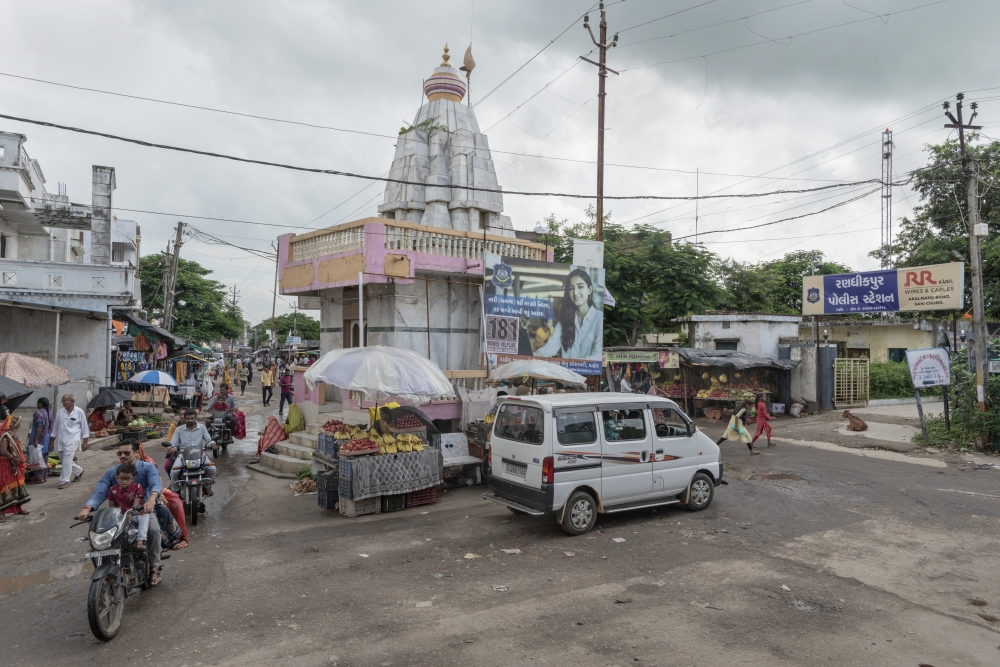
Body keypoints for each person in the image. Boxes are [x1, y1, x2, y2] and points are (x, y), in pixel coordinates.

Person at [78, 441, 163, 586]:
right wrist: (87, 508)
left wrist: (152, 499)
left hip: (142, 511)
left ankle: (154, 569)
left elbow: (156, 484)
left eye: (127, 453)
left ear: (136, 453)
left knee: (154, 531)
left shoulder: (148, 468)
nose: (122, 456)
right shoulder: (112, 472)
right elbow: (100, 491)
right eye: (120, 453)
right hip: (119, 514)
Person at [533, 268, 603, 361]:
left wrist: (572, 365)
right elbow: (550, 347)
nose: (575, 293)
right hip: (566, 375)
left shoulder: (599, 319)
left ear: (589, 290)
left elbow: (597, 356)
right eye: (571, 288)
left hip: (589, 375)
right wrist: (532, 355)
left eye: (580, 287)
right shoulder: (565, 320)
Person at [165, 409, 216, 512]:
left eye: (192, 418)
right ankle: (176, 491)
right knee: (174, 471)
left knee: (212, 468)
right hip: (183, 454)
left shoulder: (202, 427)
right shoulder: (179, 429)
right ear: (184, 419)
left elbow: (208, 440)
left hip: (200, 453)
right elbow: (173, 444)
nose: (190, 420)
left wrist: (212, 444)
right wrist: (172, 449)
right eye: (188, 418)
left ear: (196, 418)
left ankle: (206, 486)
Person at [107, 461, 150, 550]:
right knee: (105, 523)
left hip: (134, 514)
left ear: (133, 478)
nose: (124, 481)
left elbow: (136, 504)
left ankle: (140, 541)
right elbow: (111, 507)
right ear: (117, 478)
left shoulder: (137, 487)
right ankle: (100, 545)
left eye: (128, 479)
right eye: (121, 478)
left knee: (145, 517)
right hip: (120, 516)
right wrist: (115, 517)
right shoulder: (113, 490)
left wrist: (130, 515)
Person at [52, 394, 88, 489]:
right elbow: (55, 427)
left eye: (65, 401)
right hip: (61, 440)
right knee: (63, 459)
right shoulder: (60, 412)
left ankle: (64, 481)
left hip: (72, 440)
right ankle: (79, 471)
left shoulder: (79, 412)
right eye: (62, 401)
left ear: (72, 401)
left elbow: (85, 428)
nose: (63, 403)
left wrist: (85, 442)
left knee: (67, 460)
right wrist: (52, 440)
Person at [0, 414, 30, 521]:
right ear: (14, 424)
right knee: (4, 487)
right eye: (19, 422)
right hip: (6, 465)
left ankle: (18, 508)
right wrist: (13, 458)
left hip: (13, 465)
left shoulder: (12, 435)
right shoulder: (5, 436)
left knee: (17, 485)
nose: (20, 424)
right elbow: (3, 450)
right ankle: (1, 513)